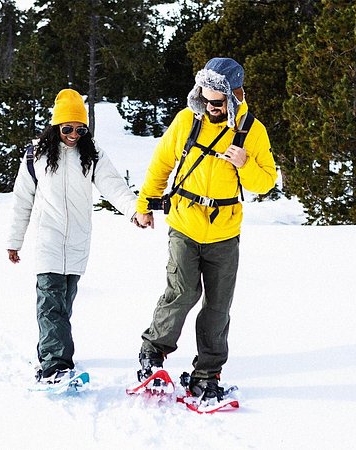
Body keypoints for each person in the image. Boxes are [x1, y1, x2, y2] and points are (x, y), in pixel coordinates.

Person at [133, 57, 277, 403]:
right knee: (182, 292)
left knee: (218, 306)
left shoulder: (251, 130)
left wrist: (244, 164)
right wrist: (144, 204)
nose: (210, 106)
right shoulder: (187, 120)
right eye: (205, 98)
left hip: (225, 232)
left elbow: (267, 181)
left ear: (235, 96)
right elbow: (162, 163)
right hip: (184, 222)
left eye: (218, 101)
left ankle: (207, 374)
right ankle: (152, 354)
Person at [7, 88, 147, 384]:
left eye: (80, 129)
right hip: (48, 240)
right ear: (56, 126)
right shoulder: (37, 155)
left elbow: (114, 186)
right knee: (49, 303)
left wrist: (134, 211)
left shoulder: (91, 154)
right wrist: (14, 240)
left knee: (62, 305)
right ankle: (55, 367)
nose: (73, 134)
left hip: (78, 243)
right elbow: (22, 199)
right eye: (67, 128)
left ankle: (50, 354)